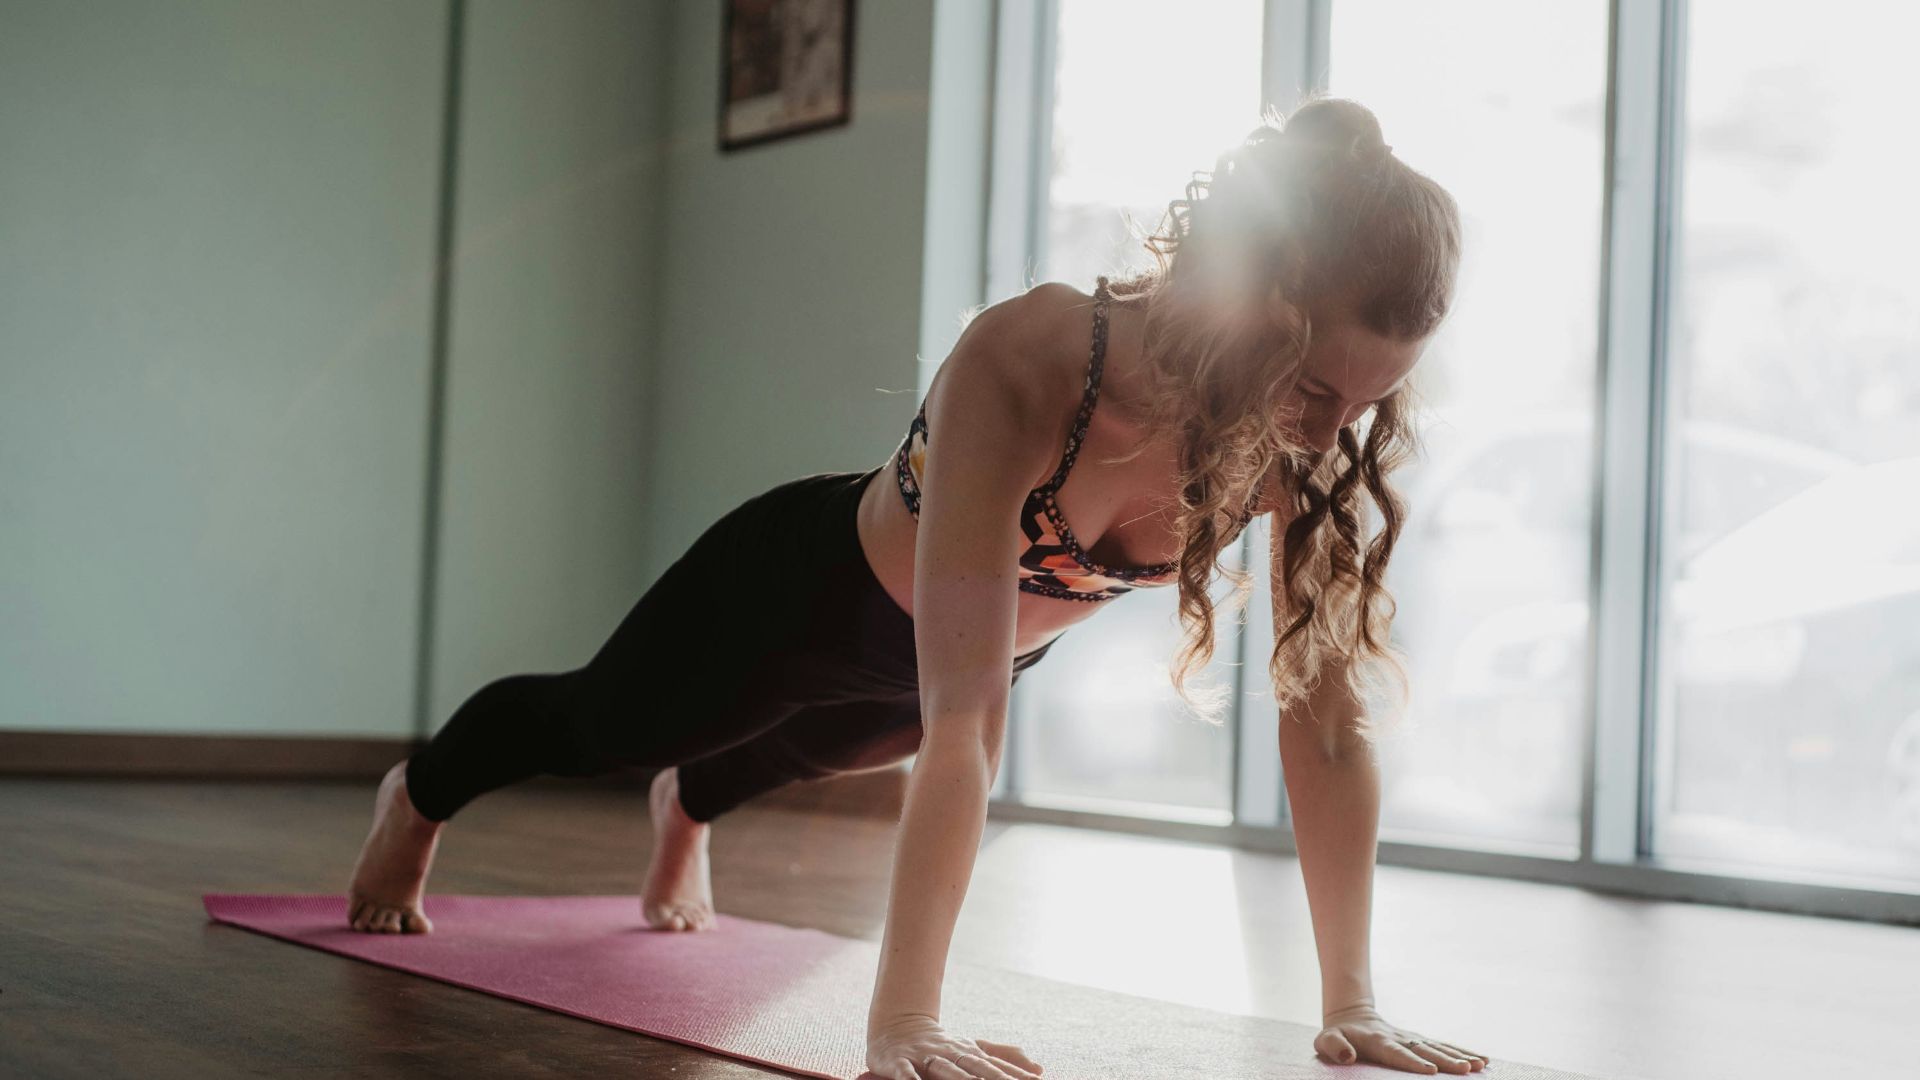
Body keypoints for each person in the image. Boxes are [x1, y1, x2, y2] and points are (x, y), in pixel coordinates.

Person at [346, 95, 1482, 1077]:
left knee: (811, 750)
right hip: (791, 597)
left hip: (924, 674)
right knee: (605, 723)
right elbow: (968, 731)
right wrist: (903, 1023)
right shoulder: (1035, 358)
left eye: (1368, 406)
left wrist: (1353, 1004)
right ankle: (420, 796)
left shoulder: (1297, 447)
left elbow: (1327, 731)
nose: (1331, 432)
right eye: (1319, 385)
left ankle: (687, 809)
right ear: (1259, 297)